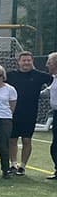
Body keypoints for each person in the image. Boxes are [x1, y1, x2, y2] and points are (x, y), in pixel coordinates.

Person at [6, 51, 51, 176]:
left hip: (30, 114)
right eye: (24, 60)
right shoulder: (10, 75)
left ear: (32, 61)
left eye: (28, 60)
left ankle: (22, 166)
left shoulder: (39, 75)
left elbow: (54, 81)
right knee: (12, 140)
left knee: (27, 140)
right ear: (18, 62)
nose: (26, 63)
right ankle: (13, 164)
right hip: (13, 113)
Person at [47, 52, 57, 180]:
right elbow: (48, 91)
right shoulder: (54, 78)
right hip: (55, 113)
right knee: (55, 145)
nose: (47, 65)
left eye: (49, 63)